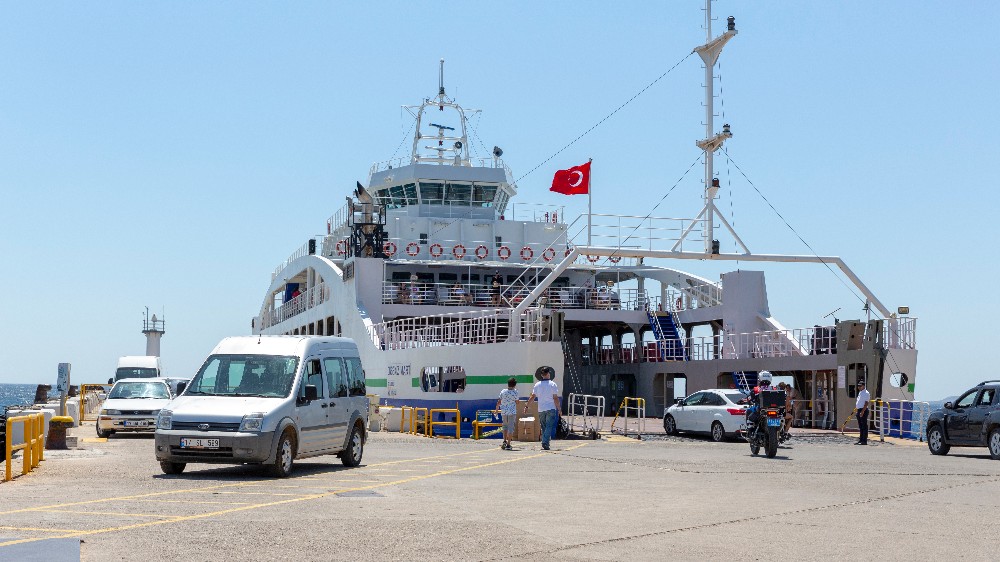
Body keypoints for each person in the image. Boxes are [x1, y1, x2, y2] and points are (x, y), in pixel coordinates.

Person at [525, 365, 560, 450]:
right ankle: (545, 442)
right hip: (551, 408)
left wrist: (526, 406)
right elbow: (555, 398)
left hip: (541, 409)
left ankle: (546, 443)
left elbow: (533, 397)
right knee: (549, 426)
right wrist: (559, 408)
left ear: (541, 375)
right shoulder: (553, 384)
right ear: (548, 374)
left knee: (544, 427)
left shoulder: (537, 385)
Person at [495, 377, 519, 450]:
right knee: (511, 427)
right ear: (514, 385)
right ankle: (508, 444)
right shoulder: (515, 392)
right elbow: (517, 402)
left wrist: (496, 410)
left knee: (505, 426)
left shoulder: (503, 391)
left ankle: (504, 441)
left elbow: (499, 402)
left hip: (504, 411)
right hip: (512, 412)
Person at [856, 379, 870, 445]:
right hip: (859, 409)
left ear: (864, 386)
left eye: (860, 386)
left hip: (863, 410)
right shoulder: (860, 392)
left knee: (864, 426)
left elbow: (866, 403)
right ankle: (861, 439)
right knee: (860, 426)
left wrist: (862, 411)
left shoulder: (866, 393)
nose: (859, 387)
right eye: (858, 386)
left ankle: (864, 440)